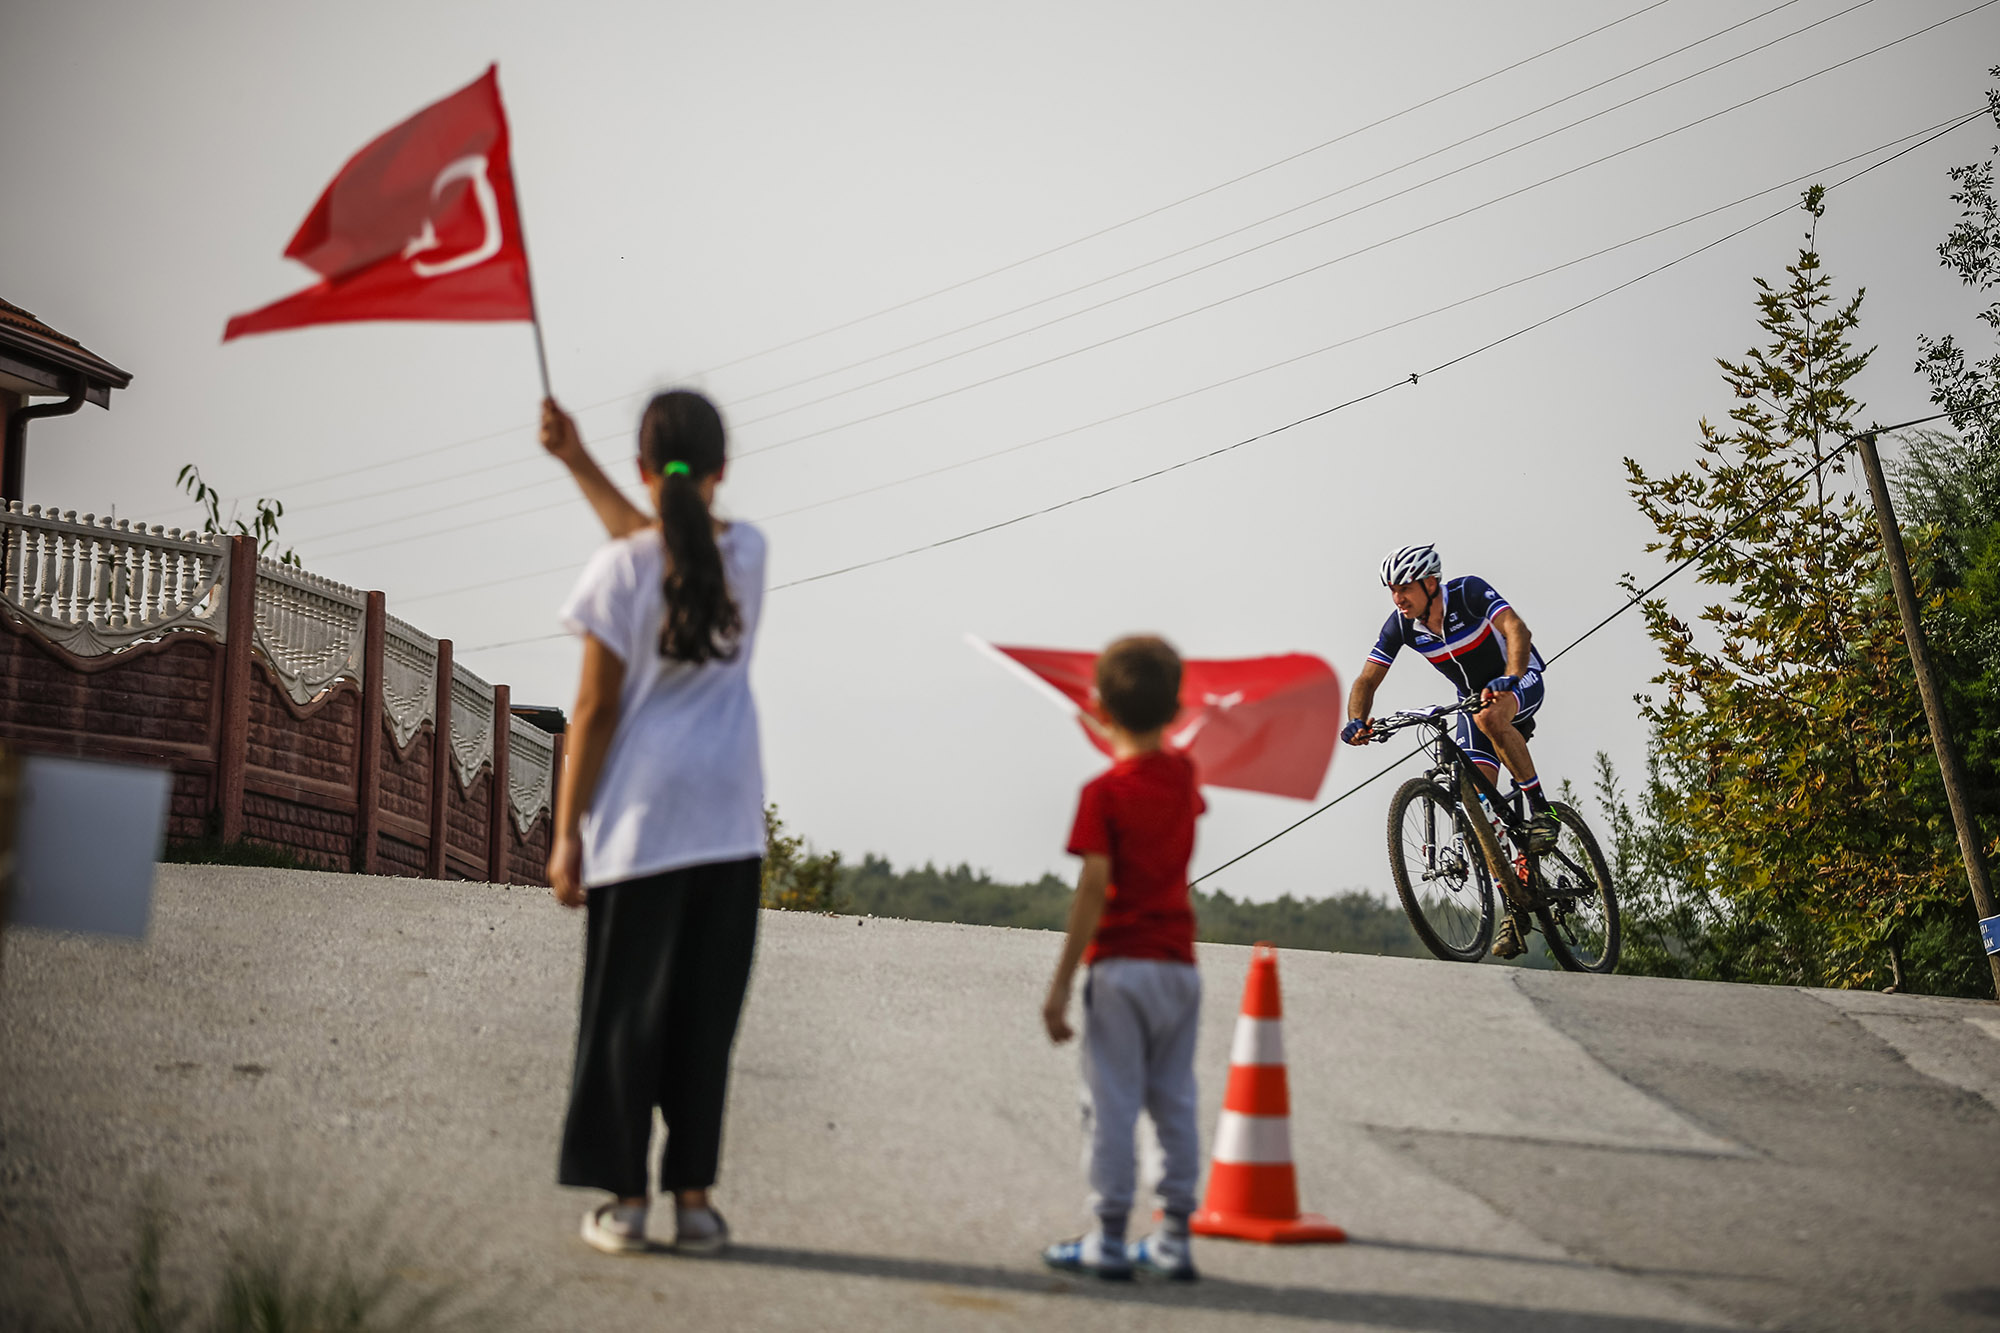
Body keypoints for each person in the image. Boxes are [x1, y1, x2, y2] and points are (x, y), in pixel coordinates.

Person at [541, 391, 768, 1257]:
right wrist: (579, 464)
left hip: (641, 826)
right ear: (723, 471)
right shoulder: (749, 553)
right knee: (706, 1019)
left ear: (644, 468)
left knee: (625, 1016)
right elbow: (665, 533)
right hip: (729, 823)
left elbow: (593, 711)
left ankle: (628, 1205)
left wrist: (568, 835)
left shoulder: (619, 570)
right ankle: (698, 1205)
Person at [1041, 635, 1205, 1283]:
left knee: (1109, 1102)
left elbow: (1092, 888)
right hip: (1178, 969)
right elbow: (1164, 767)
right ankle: (1174, 1236)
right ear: (1176, 708)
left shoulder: (1102, 793)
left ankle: (1108, 1236)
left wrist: (1060, 984)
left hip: (1120, 968)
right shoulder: (1185, 777)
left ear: (1103, 710)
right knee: (1175, 1101)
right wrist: (1113, 720)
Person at [1341, 542, 1553, 960]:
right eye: (1391, 590)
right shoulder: (1401, 626)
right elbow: (1366, 680)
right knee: (1476, 807)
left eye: (1404, 588)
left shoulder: (1469, 593)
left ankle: (1541, 811)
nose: (1397, 598)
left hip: (1519, 679)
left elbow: (1516, 630)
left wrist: (1512, 675)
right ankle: (1515, 905)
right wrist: (1356, 720)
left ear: (1431, 583)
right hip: (1473, 699)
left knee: (1490, 720)